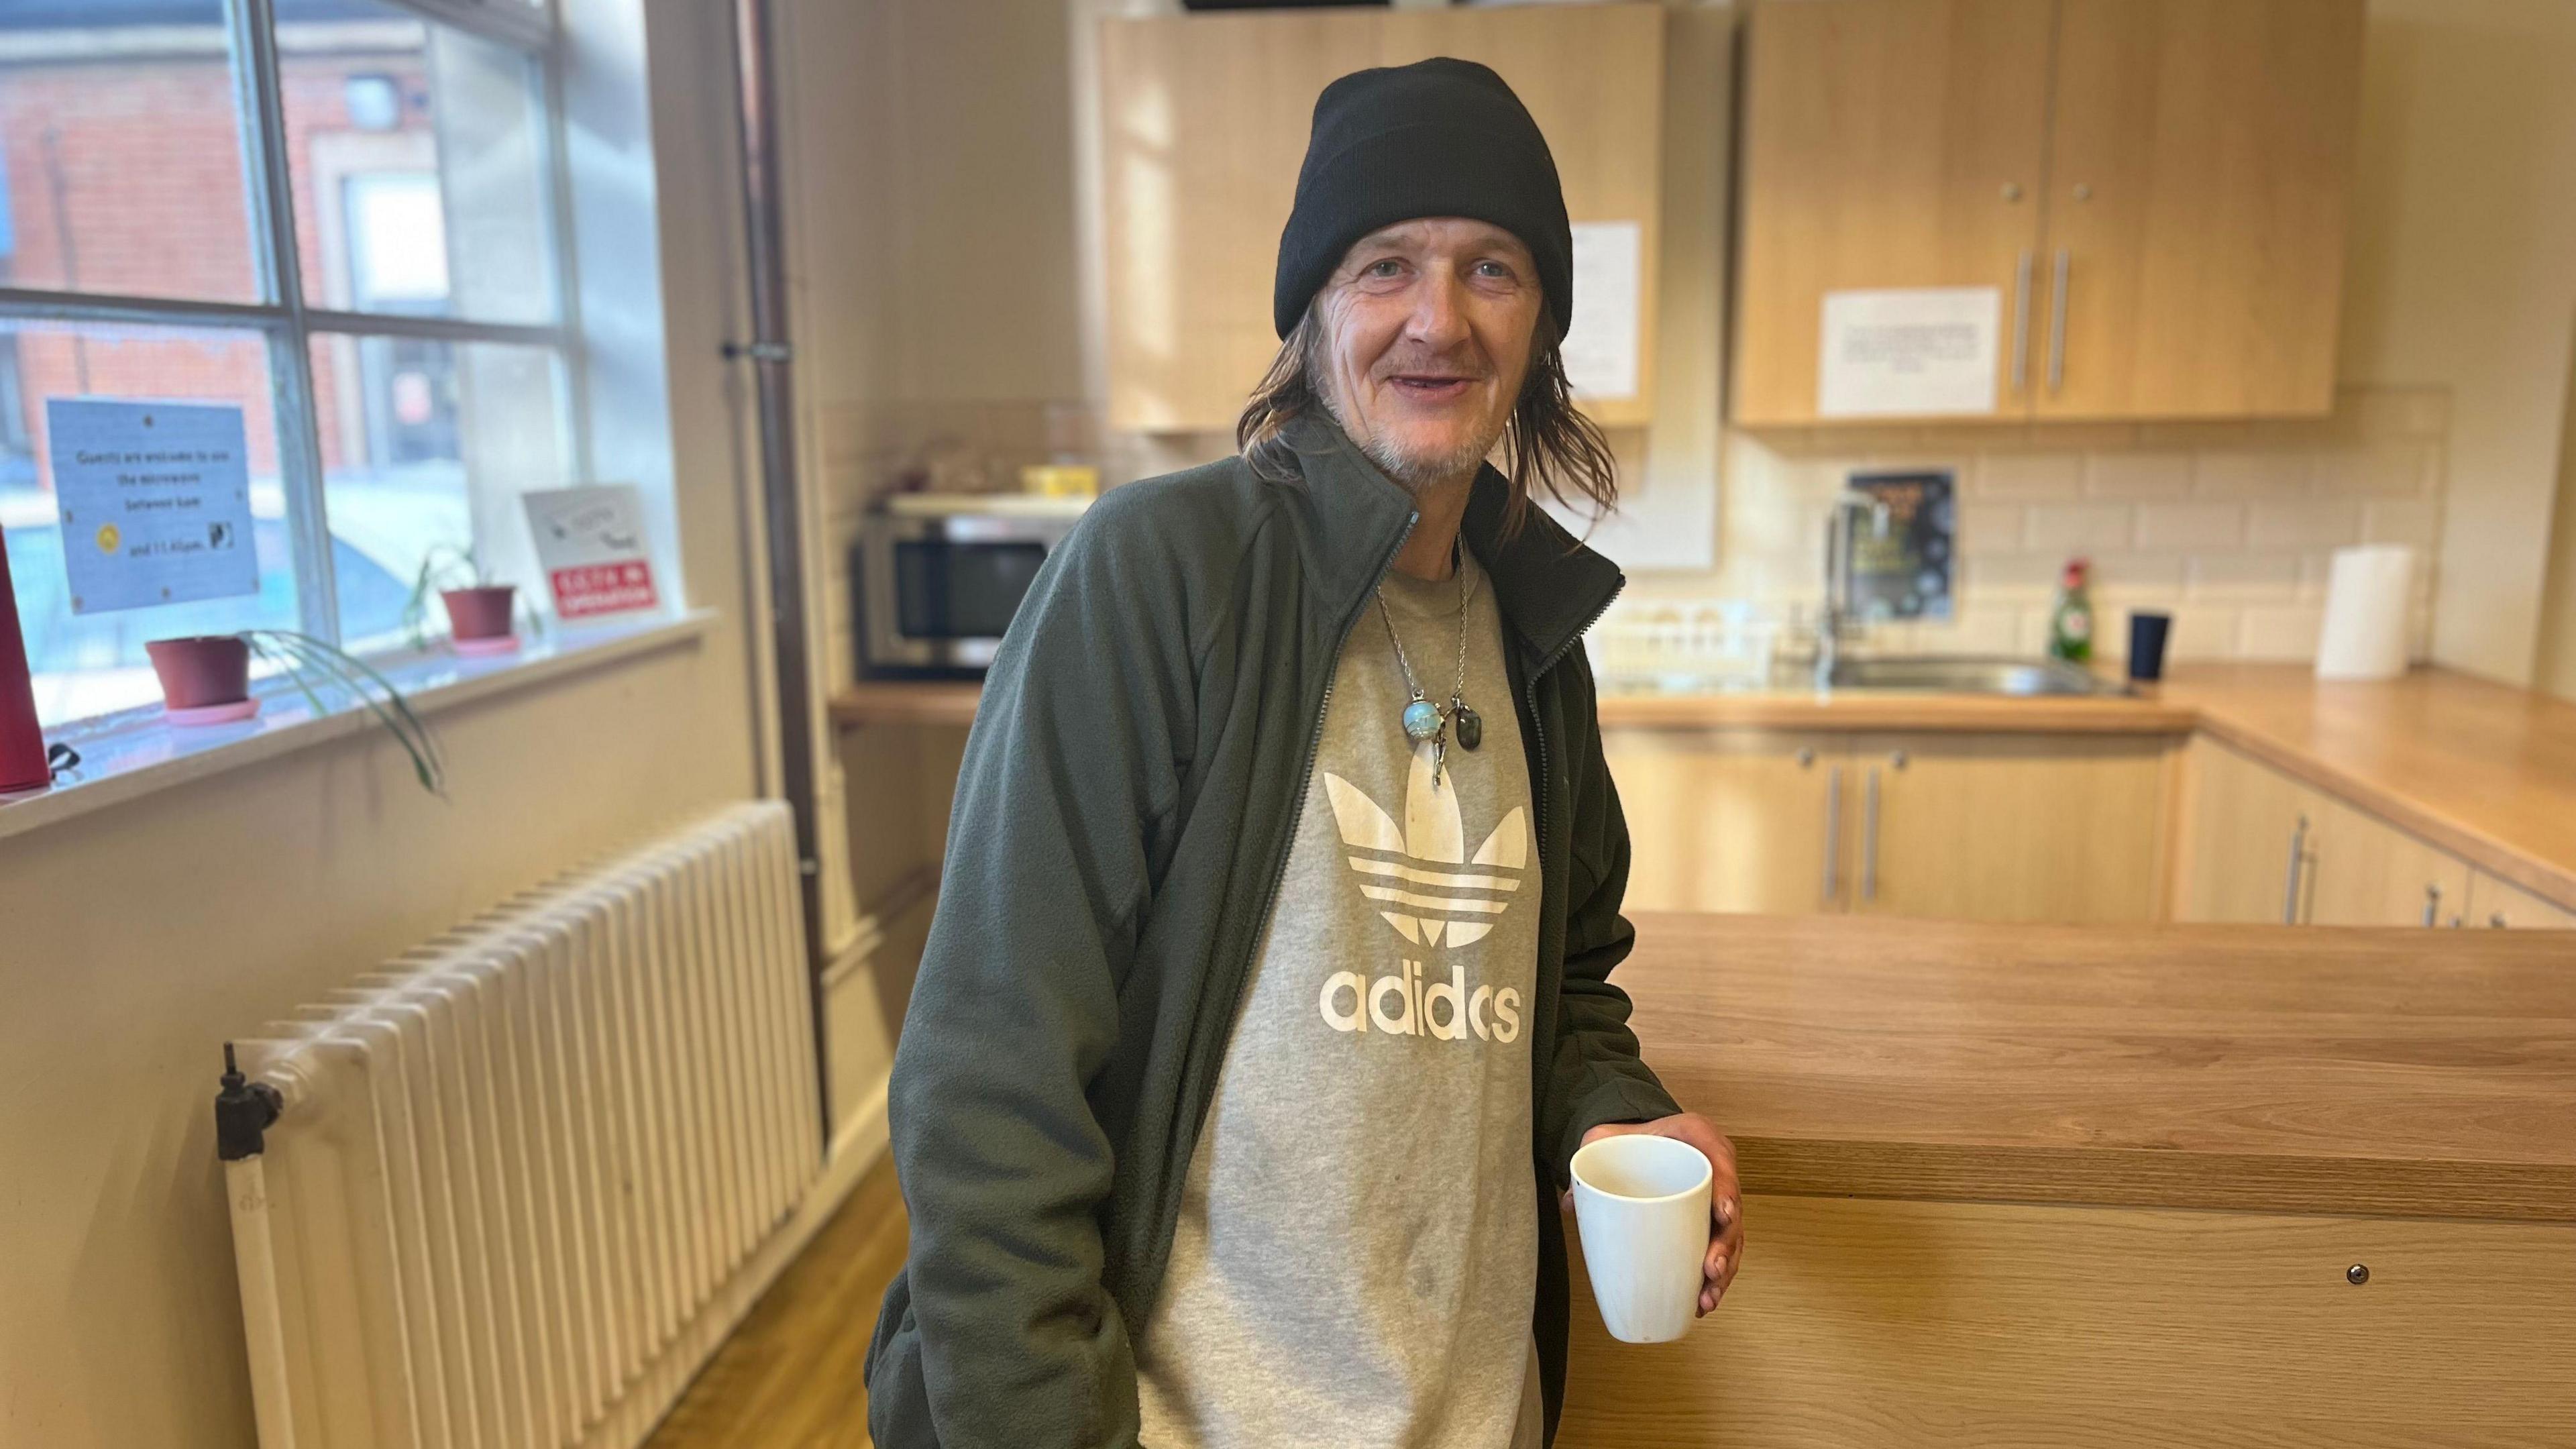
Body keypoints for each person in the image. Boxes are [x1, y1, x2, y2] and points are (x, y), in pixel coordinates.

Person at [865, 56, 1741, 1449]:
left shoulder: (1534, 626)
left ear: (1544, 325)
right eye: (1384, 265)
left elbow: (1562, 987)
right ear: (1314, 307)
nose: (1436, 322)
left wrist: (1619, 1121)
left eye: (1492, 269)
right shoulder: (1161, 575)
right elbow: (988, 1080)